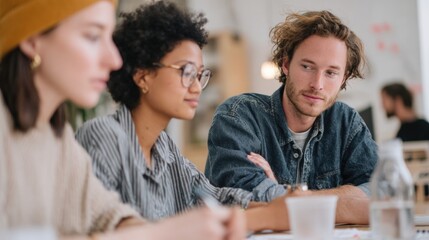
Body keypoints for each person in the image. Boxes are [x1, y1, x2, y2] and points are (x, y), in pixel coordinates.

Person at [0, 0, 245, 239]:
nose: (114, 60)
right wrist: (164, 233)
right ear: (32, 40)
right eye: (93, 37)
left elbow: (108, 216)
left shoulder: (56, 138)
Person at [75, 1, 301, 232]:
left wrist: (277, 201)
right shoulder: (103, 135)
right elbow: (103, 230)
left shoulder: (165, 148)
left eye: (200, 75)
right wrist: (267, 214)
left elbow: (214, 197)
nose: (196, 88)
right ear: (142, 77)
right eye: (187, 72)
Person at [205, 10, 377, 224]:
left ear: (344, 78)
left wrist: (283, 196)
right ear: (286, 64)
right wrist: (345, 203)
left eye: (331, 73)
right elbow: (240, 199)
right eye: (307, 66)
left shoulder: (346, 123)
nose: (317, 84)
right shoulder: (239, 116)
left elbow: (379, 193)